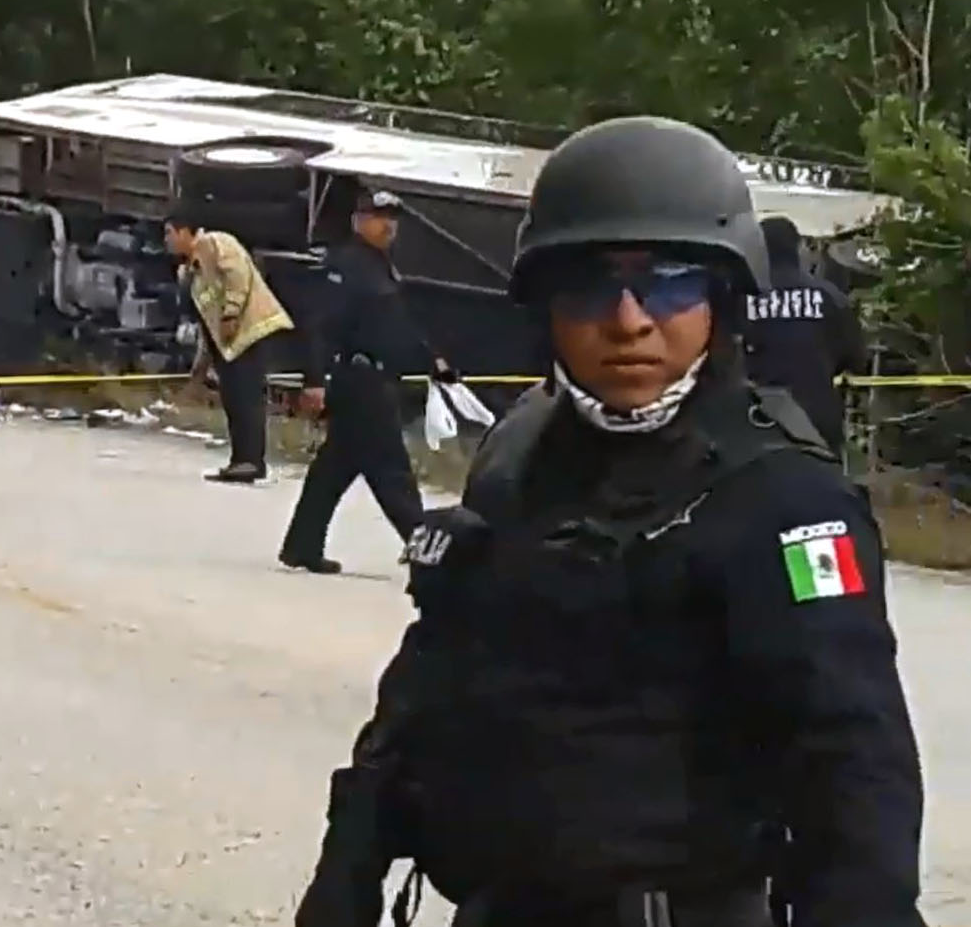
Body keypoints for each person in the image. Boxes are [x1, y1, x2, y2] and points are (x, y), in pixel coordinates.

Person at [294, 118, 925, 927]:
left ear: (721, 300)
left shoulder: (782, 500)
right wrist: (346, 873)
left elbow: (854, 766)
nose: (628, 320)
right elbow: (427, 683)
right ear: (545, 307)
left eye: (667, 284)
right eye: (590, 287)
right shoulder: (520, 455)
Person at [278, 186, 456, 574]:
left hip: (376, 375)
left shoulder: (381, 267)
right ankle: (429, 554)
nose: (389, 226)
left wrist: (431, 359)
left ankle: (302, 545)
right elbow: (319, 326)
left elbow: (394, 326)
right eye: (381, 218)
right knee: (392, 471)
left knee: (334, 468)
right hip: (358, 379)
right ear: (359, 221)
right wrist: (314, 379)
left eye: (393, 219)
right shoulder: (345, 266)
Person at [164, 207, 295, 482]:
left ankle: (251, 461)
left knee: (247, 398)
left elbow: (238, 276)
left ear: (186, 231)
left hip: (249, 329)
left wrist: (232, 312)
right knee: (233, 399)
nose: (167, 240)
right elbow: (205, 321)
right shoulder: (190, 272)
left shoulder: (216, 243)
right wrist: (201, 365)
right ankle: (240, 460)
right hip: (227, 343)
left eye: (170, 233)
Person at [743, 215, 868, 458]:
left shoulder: (737, 297)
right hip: (818, 424)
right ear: (798, 247)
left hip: (755, 422)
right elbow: (856, 359)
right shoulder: (830, 297)